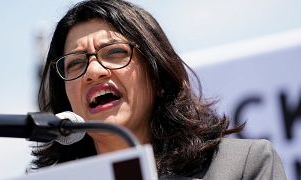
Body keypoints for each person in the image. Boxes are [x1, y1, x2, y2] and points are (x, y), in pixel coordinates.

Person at [30, 0, 287, 179]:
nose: (94, 71)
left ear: (157, 75)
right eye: (76, 63)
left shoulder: (243, 164)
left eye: (115, 52)